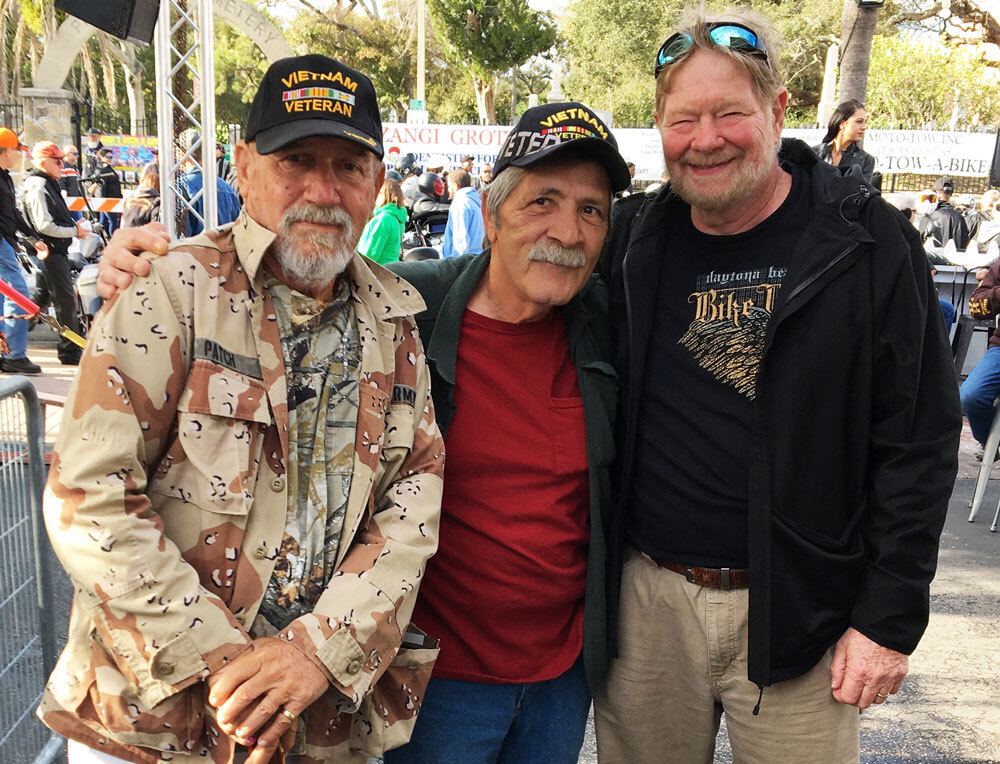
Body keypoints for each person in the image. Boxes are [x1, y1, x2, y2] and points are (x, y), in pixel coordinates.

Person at [98, 99, 628, 764]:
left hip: (559, 677)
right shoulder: (404, 308)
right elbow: (280, 274)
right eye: (542, 201)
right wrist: (143, 268)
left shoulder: (611, 323)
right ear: (491, 217)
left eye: (592, 210)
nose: (568, 231)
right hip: (440, 677)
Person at [38, 54, 445, 764]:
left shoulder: (397, 325)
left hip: (314, 726)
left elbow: (411, 507)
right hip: (153, 728)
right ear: (243, 165)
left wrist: (316, 652)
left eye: (348, 166)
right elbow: (88, 494)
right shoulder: (170, 292)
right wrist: (224, 660)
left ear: (377, 183)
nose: (322, 190)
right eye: (297, 160)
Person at [596, 7, 961, 763]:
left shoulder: (865, 239)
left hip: (805, 606)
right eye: (683, 118)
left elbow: (918, 442)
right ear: (658, 125)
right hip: (649, 604)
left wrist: (889, 619)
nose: (706, 140)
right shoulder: (632, 240)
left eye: (730, 112)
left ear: (777, 108)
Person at [21, 140, 87, 365]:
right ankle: (70, 351)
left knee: (41, 298)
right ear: (43, 162)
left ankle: (13, 337)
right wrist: (75, 231)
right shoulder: (39, 185)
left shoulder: (43, 183)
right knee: (65, 302)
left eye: (62, 159)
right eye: (57, 160)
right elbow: (44, 225)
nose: (62, 164)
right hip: (49, 253)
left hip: (50, 252)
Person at [0, 127, 43, 374]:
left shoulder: (5, 176)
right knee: (18, 294)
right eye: (17, 149)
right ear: (6, 150)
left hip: (6, 243)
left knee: (5, 297)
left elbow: (13, 214)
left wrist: (32, 237)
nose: (19, 154)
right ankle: (14, 355)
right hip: (1, 245)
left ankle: (5, 352)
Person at [176, 128, 241, 236]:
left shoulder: (180, 186)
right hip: (224, 251)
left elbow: (176, 238)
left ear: (181, 154)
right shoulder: (226, 187)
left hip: (193, 251)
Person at [814, 99, 876, 183]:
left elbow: (860, 192)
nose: (864, 127)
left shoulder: (866, 160)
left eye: (865, 122)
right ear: (842, 123)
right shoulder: (814, 153)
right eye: (859, 121)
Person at [356, 177, 407, 265]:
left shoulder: (383, 220)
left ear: (385, 195)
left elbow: (371, 253)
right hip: (391, 270)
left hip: (377, 271)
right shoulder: (397, 218)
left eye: (378, 193)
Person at [440, 168, 484, 259]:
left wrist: (458, 266)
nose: (448, 190)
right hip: (478, 259)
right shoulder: (477, 202)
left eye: (449, 186)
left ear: (455, 186)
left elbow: (460, 240)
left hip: (464, 263)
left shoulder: (460, 204)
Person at [927, 175, 970, 248]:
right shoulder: (959, 217)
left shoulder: (930, 214)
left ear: (935, 192)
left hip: (933, 258)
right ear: (951, 193)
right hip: (955, 258)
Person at [89, 147, 123, 234]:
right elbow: (101, 187)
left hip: (112, 199)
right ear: (102, 157)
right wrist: (102, 201)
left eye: (111, 157)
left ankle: (97, 237)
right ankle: (113, 239)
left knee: (103, 222)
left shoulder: (108, 168)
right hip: (107, 200)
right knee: (113, 221)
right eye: (108, 157)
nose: (110, 159)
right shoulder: (102, 169)